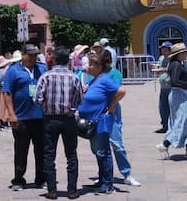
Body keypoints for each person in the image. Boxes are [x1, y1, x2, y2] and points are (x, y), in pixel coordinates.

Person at [34, 46, 82, 200]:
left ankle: (52, 190)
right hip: (68, 119)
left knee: (49, 154)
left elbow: (37, 99)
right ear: (67, 60)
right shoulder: (74, 77)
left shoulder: (46, 77)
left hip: (50, 119)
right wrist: (72, 107)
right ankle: (72, 190)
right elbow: (80, 98)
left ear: (54, 59)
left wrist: (47, 106)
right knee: (71, 154)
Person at [78, 49, 126, 195]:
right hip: (92, 122)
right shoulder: (95, 79)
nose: (88, 67)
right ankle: (102, 180)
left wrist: (111, 105)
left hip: (101, 121)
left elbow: (121, 91)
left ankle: (107, 184)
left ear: (99, 67)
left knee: (103, 152)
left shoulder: (104, 78)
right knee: (98, 152)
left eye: (91, 65)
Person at [4, 44, 47, 191]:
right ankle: (18, 179)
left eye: (35, 55)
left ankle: (41, 178)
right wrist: (11, 114)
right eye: (31, 55)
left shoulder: (42, 69)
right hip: (21, 117)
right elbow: (7, 93)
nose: (34, 57)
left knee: (41, 150)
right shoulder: (13, 70)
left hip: (40, 116)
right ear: (23, 55)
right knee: (21, 150)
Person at [105, 52, 142, 187]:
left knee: (117, 143)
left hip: (112, 111)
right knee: (101, 147)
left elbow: (118, 92)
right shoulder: (96, 74)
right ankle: (104, 175)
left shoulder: (115, 74)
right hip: (99, 112)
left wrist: (111, 105)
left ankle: (126, 174)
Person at [156, 42, 187, 159]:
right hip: (178, 96)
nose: (186, 54)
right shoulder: (176, 65)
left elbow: (179, 78)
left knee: (186, 122)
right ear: (178, 54)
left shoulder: (177, 64)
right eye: (184, 53)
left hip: (179, 95)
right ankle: (165, 144)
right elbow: (175, 81)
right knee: (181, 121)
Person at [152, 42, 173, 133]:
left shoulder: (172, 59)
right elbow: (160, 66)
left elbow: (169, 69)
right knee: (162, 107)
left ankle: (172, 126)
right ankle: (165, 125)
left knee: (171, 107)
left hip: (170, 86)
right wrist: (156, 67)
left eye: (165, 50)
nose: (163, 51)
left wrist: (159, 69)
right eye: (162, 49)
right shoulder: (161, 58)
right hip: (163, 86)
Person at [0, 55, 12, 131]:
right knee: (5, 106)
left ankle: (1, 123)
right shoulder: (5, 70)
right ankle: (5, 123)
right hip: (4, 89)